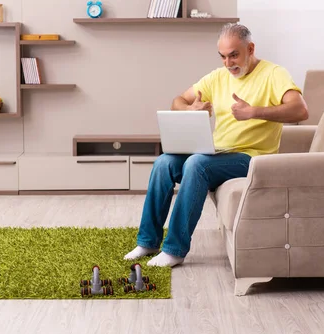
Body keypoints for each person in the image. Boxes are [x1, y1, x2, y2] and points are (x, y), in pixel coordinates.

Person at [124, 23, 309, 267]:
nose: (228, 63)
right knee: (164, 162)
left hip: (251, 158)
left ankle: (175, 249)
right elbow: (177, 100)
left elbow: (300, 110)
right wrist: (191, 109)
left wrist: (254, 112)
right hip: (218, 154)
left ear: (250, 48)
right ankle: (148, 241)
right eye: (223, 56)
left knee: (197, 163)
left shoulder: (274, 74)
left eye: (234, 54)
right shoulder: (218, 77)